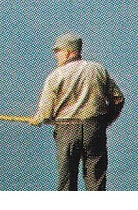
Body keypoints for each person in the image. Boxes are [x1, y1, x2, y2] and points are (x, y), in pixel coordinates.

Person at [30, 33, 125, 191]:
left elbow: (45, 113)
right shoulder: (98, 69)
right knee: (96, 179)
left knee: (67, 180)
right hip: (94, 129)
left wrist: (37, 119)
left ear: (68, 52)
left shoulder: (55, 76)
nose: (56, 56)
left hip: (66, 131)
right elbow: (118, 99)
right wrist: (106, 121)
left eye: (57, 51)